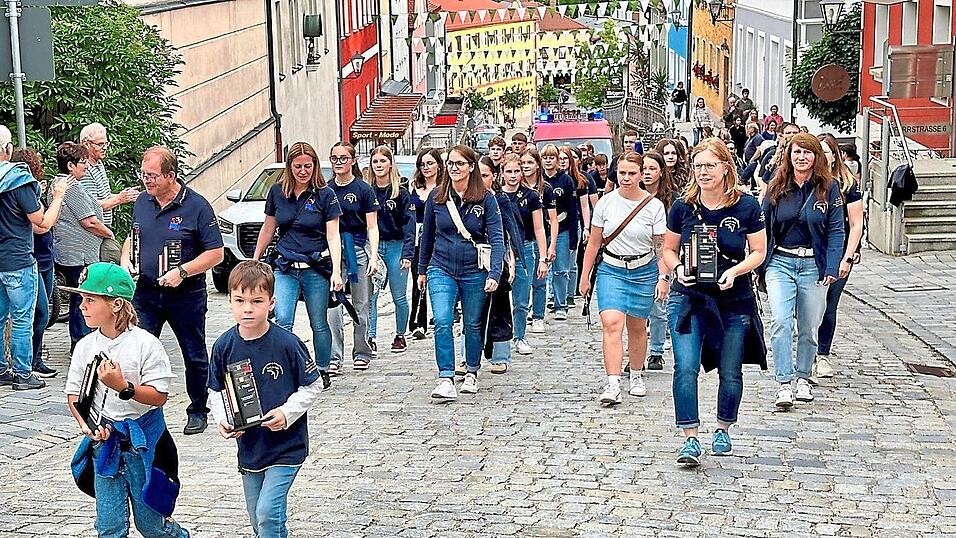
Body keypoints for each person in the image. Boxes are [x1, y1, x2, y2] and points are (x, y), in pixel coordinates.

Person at [660, 138, 768, 467]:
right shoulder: (683, 206)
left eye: (710, 165)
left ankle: (722, 427)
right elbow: (668, 250)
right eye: (698, 166)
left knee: (731, 371)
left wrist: (735, 271)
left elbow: (759, 252)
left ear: (725, 167)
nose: (703, 172)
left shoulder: (747, 206)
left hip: (733, 299)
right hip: (689, 297)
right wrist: (677, 269)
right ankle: (690, 437)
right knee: (686, 366)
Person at [64, 262, 189, 538]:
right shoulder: (85, 346)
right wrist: (88, 425)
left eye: (90, 299)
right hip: (105, 446)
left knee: (152, 526)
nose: (82, 306)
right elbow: (74, 394)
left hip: (145, 443)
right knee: (109, 527)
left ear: (116, 304)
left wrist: (123, 386)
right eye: (82, 299)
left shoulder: (145, 344)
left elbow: (159, 396)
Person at [210, 261, 322, 538]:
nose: (248, 308)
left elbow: (313, 384)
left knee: (268, 513)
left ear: (271, 303)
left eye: (256, 301)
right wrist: (224, 420)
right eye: (240, 300)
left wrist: (286, 413)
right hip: (250, 447)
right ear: (230, 302)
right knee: (257, 520)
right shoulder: (223, 346)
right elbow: (216, 391)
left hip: (287, 445)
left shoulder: (287, 343)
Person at [121, 145, 225, 435]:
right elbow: (134, 235)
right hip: (145, 292)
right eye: (143, 174)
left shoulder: (197, 206)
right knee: (137, 349)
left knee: (192, 353)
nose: (147, 180)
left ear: (171, 175)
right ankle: (139, 407)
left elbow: (216, 253)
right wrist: (126, 257)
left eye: (152, 175)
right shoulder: (143, 201)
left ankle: (198, 409)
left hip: (185, 295)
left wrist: (182, 271)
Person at [761, 133, 845, 409]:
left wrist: (832, 266)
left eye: (807, 153)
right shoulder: (777, 185)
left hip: (813, 264)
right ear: (789, 155)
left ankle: (803, 377)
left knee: (808, 326)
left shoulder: (828, 188)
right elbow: (763, 227)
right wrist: (758, 262)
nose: (801, 157)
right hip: (780, 263)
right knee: (781, 321)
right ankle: (784, 382)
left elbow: (836, 230)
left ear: (816, 157)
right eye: (797, 152)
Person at [418, 145, 505, 400]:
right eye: (450, 163)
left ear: (470, 167)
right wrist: (422, 270)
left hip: (474, 270)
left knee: (472, 323)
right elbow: (427, 237)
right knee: (443, 320)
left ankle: (471, 371)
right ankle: (445, 376)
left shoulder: (486, 199)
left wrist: (494, 273)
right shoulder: (437, 197)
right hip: (441, 266)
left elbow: (497, 238)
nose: (454, 168)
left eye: (459, 163)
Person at [253, 141, 342, 389]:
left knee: (319, 321)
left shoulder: (325, 195)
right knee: (282, 318)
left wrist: (336, 270)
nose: (303, 171)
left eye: (307, 166)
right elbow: (269, 226)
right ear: (289, 167)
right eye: (297, 166)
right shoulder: (277, 192)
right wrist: (255, 257)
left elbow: (333, 234)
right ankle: (287, 368)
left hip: (315, 266)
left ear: (314, 166)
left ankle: (322, 367)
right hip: (285, 266)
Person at [579, 152, 666, 405]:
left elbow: (660, 247)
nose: (626, 178)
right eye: (621, 173)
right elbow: (594, 243)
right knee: (612, 323)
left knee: (637, 326)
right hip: (612, 268)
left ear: (641, 174)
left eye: (632, 173)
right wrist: (584, 277)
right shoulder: (606, 203)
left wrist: (663, 277)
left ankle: (636, 374)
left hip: (643, 269)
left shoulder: (654, 206)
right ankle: (613, 382)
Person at [0, 127, 70, 390]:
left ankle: (0, 370)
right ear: (8, 150)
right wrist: (58, 196)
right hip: (18, 259)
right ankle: (22, 373)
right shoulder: (19, 181)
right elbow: (42, 223)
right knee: (21, 318)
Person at [52, 141, 114, 349]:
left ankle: (81, 342)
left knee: (79, 298)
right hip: (78, 254)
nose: (86, 166)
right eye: (82, 163)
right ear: (70, 165)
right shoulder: (72, 187)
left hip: (69, 250)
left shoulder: (58, 183)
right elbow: (88, 221)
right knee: (83, 298)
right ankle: (81, 344)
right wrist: (109, 233)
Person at [11, 148, 66, 378]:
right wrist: (57, 197)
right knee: (37, 313)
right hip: (30, 259)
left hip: (44, 257)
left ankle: (34, 359)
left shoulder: (30, 191)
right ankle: (26, 365)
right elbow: (41, 224)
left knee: (38, 313)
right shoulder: (21, 191)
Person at [326, 142, 379, 373]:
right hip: (333, 251)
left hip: (357, 248)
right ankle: (334, 356)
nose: (339, 163)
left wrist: (374, 256)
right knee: (333, 305)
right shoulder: (326, 190)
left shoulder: (363, 189)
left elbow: (372, 226)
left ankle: (361, 351)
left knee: (361, 303)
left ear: (353, 160)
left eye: (343, 158)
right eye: (335, 158)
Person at [815, 134, 864, 379]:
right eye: (819, 152)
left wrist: (849, 256)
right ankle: (808, 349)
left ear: (836, 155)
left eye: (827, 152)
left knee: (829, 305)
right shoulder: (808, 183)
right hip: (811, 252)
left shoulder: (847, 185)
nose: (823, 157)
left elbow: (855, 224)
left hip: (840, 251)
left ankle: (822, 354)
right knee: (809, 306)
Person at [366, 145, 415, 354]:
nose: (379, 165)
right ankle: (371, 336)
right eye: (375, 161)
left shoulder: (400, 193)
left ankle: (400, 334)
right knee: (372, 295)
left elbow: (410, 224)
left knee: (399, 296)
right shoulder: (367, 191)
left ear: (390, 164)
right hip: (374, 247)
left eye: (383, 161)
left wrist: (408, 253)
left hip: (396, 245)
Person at [478, 156, 524, 373]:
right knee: (472, 309)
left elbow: (510, 232)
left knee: (500, 308)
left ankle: (501, 354)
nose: (480, 179)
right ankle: (469, 354)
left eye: (485, 175)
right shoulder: (463, 200)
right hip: (472, 261)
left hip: (498, 259)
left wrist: (512, 261)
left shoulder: (500, 200)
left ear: (494, 176)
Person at [500, 154, 548, 356]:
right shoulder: (495, 196)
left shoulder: (531, 196)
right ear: (502, 173)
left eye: (516, 171)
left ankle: (519, 336)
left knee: (521, 299)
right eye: (509, 171)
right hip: (500, 250)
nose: (513, 176)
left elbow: (539, 229)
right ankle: (498, 338)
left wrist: (543, 258)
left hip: (525, 249)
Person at [79, 122, 139, 262]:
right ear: (87, 144)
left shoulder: (98, 164)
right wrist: (119, 199)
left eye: (106, 143)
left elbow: (105, 196)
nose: (104, 148)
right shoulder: (85, 170)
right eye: (100, 144)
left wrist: (124, 196)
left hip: (104, 232)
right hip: (96, 235)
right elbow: (92, 206)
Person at [640, 150, 677, 371]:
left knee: (658, 303)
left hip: (662, 252)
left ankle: (656, 350)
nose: (647, 173)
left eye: (652, 169)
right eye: (643, 169)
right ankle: (636, 353)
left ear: (661, 172)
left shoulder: (671, 198)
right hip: (637, 251)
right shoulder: (631, 194)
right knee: (636, 307)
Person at [408, 149, 444, 340]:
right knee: (418, 278)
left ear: (438, 164)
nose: (426, 168)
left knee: (440, 279)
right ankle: (418, 322)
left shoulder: (445, 187)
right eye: (422, 164)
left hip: (440, 236)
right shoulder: (414, 187)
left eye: (430, 163)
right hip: (418, 238)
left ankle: (441, 317)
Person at [520, 148, 557, 335]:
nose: (526, 166)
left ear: (537, 165)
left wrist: (552, 245)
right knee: (522, 281)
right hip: (521, 238)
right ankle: (522, 312)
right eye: (523, 163)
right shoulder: (515, 186)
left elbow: (553, 219)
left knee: (539, 280)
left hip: (540, 237)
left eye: (529, 163)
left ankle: (538, 316)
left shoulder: (546, 189)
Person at [540, 144, 578, 320]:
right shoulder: (538, 180)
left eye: (552, 157)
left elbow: (572, 208)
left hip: (562, 227)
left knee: (561, 268)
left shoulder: (566, 180)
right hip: (541, 228)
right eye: (545, 157)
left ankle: (560, 304)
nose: (548, 161)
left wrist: (573, 236)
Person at [559, 146, 593, 309]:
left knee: (571, 262)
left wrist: (587, 227)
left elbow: (585, 206)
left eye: (567, 157)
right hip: (555, 224)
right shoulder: (550, 179)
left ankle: (570, 294)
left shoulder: (580, 180)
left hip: (574, 223)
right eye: (561, 157)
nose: (563, 160)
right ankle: (556, 295)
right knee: (557, 263)